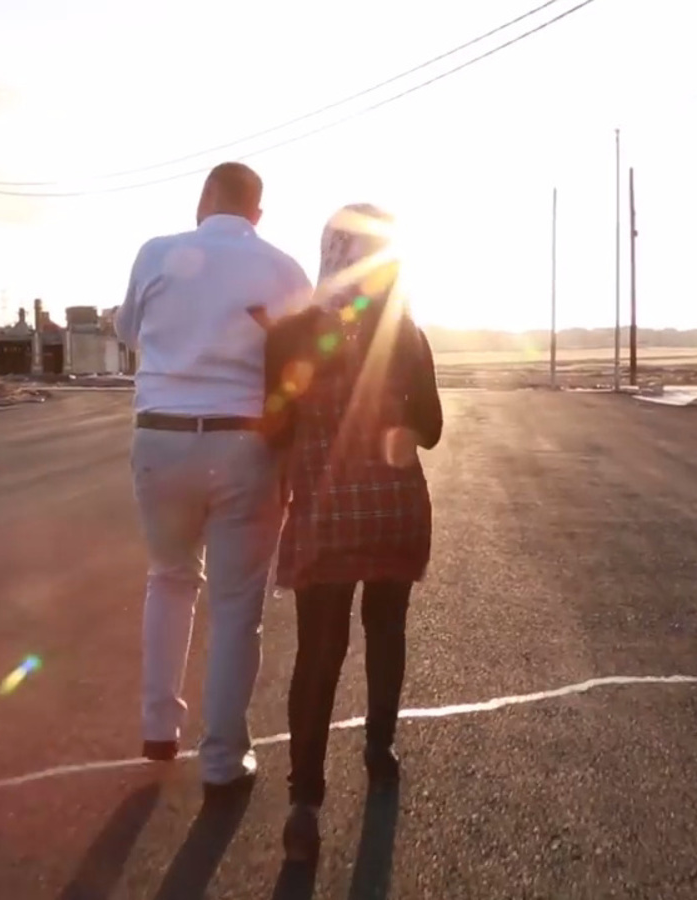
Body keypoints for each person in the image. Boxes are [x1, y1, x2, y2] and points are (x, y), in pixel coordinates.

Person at [115, 161, 313, 796]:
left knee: (170, 579)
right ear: (258, 213)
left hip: (160, 435)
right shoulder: (284, 269)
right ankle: (224, 760)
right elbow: (305, 353)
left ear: (205, 197)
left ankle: (158, 729)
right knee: (235, 608)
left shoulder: (156, 253)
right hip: (244, 443)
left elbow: (126, 330)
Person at [261, 203, 443, 861]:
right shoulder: (406, 334)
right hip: (395, 510)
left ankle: (304, 805)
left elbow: (274, 430)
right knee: (386, 629)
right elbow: (432, 428)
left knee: (319, 649)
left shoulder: (290, 336)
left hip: (325, 516)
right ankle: (379, 746)